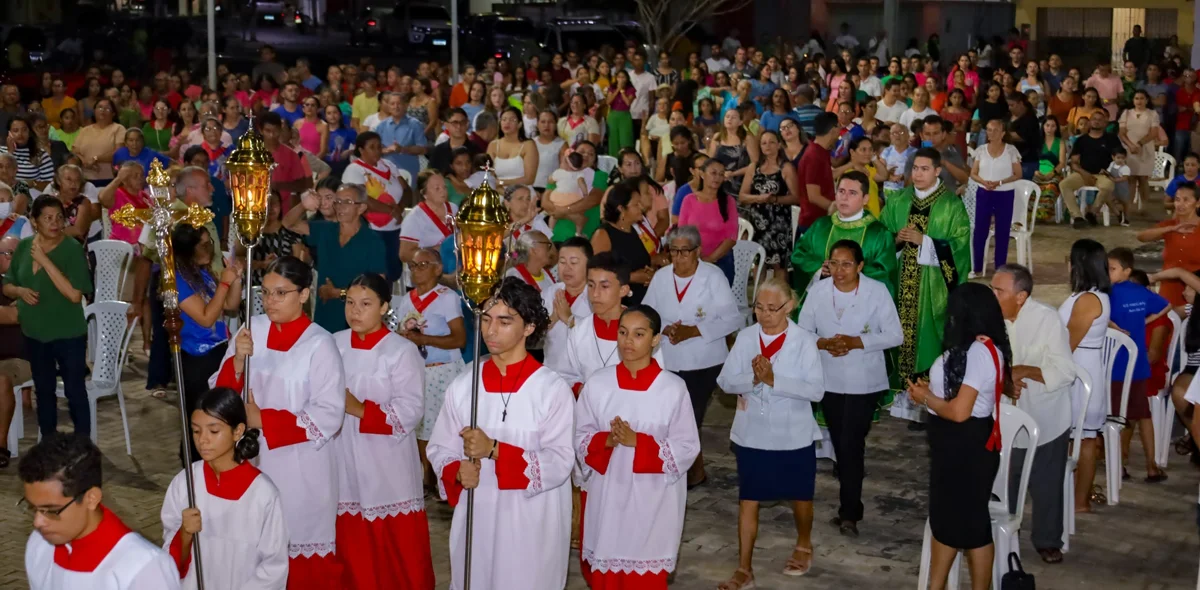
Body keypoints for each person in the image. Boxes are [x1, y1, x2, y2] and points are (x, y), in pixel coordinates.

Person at [426, 277, 574, 590]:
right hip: (477, 518)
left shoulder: (551, 389)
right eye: (487, 319)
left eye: (505, 321)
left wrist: (495, 449)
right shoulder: (465, 385)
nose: (491, 331)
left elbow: (559, 463)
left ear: (530, 327)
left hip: (530, 522)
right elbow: (440, 448)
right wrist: (457, 470)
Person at [210, 256, 347, 588]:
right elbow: (221, 392)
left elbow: (329, 415)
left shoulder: (320, 344)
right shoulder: (252, 330)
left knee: (296, 549)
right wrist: (239, 361)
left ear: (303, 294)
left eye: (281, 293)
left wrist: (264, 420)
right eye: (266, 292)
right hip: (253, 460)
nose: (270, 302)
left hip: (301, 465)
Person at [576, 304, 700, 589]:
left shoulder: (672, 388)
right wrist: (606, 440)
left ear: (655, 339)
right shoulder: (598, 384)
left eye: (639, 334)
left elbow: (686, 446)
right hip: (607, 496)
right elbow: (578, 436)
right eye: (623, 332)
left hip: (653, 501)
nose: (628, 341)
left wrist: (638, 442)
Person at [716, 277, 824, 587]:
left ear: (789, 307)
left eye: (772, 309)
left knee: (801, 497)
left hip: (794, 435)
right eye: (758, 308)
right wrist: (754, 378)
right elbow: (725, 381)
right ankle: (744, 568)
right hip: (753, 434)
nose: (764, 315)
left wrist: (775, 379)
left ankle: (804, 544)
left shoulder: (804, 341)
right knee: (748, 498)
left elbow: (816, 391)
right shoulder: (747, 337)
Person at [334, 273, 436, 590]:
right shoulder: (331, 344)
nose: (355, 311)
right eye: (350, 303)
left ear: (384, 307)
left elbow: (410, 410)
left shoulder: (400, 351)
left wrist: (359, 408)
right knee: (351, 549)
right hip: (344, 457)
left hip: (386, 462)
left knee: (394, 554)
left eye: (365, 304)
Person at [906, 282, 1010, 590]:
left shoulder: (979, 352)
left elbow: (959, 411)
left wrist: (926, 398)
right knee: (947, 521)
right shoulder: (976, 347)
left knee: (972, 525)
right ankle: (935, 585)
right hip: (956, 444)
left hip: (966, 445)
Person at [796, 240, 901, 538]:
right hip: (828, 378)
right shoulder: (818, 292)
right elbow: (803, 332)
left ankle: (849, 512)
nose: (839, 270)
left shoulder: (876, 292)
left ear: (860, 266)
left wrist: (856, 342)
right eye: (834, 263)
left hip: (863, 381)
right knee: (843, 444)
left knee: (851, 444)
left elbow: (895, 335)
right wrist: (825, 343)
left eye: (846, 264)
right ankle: (851, 501)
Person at [643, 225, 741, 486]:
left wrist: (694, 330)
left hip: (704, 360)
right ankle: (689, 467)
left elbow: (732, 318)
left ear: (698, 251)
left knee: (691, 416)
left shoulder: (713, 276)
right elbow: (648, 314)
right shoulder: (662, 277)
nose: (679, 257)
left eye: (685, 251)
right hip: (668, 358)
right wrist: (666, 328)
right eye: (673, 251)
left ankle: (689, 471)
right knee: (670, 416)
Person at [160, 387, 288, 588]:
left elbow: (273, 567)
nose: (202, 440)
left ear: (238, 431)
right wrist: (185, 533)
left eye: (213, 431)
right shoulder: (185, 483)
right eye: (196, 430)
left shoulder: (263, 494)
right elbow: (169, 562)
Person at [990, 264, 1076, 564]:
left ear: (1021, 297)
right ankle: (1003, 530)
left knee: (1047, 482)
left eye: (999, 290)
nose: (993, 295)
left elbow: (1066, 371)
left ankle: (1048, 539)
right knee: (1005, 477)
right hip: (1004, 416)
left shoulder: (1047, 319)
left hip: (1046, 414)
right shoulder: (989, 320)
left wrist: (1023, 370)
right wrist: (1003, 383)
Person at [22, 433, 181, 589]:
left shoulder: (145, 568)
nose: (38, 522)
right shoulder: (40, 545)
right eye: (33, 507)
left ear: (91, 498)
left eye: (51, 511)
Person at [880, 148, 970, 419]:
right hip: (899, 285)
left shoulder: (951, 206)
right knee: (897, 336)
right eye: (914, 169)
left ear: (937, 171)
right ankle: (898, 394)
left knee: (928, 341)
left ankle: (927, 402)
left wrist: (926, 242)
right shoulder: (898, 201)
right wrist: (896, 239)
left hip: (932, 290)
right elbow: (880, 236)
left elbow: (961, 247)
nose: (917, 174)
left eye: (924, 169)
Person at [4, 196, 91, 438]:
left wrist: (44, 260)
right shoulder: (24, 246)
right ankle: (49, 443)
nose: (55, 223)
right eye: (48, 218)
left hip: (68, 333)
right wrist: (20, 291)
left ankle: (83, 443)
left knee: (75, 391)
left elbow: (74, 295)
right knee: (43, 391)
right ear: (34, 222)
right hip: (34, 332)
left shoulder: (71, 249)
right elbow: (8, 285)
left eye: (59, 218)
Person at [172, 223, 244, 462]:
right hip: (196, 358)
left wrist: (235, 279)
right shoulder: (178, 281)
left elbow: (230, 306)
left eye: (210, 242)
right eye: (204, 244)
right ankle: (193, 468)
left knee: (218, 413)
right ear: (188, 249)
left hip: (217, 351)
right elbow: (205, 318)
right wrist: (224, 283)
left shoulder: (201, 273)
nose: (210, 249)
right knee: (199, 416)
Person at [282, 184, 387, 333]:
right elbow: (288, 223)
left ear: (361, 208)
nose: (340, 207)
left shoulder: (373, 241)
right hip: (324, 316)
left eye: (347, 202)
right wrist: (303, 205)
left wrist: (339, 293)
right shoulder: (326, 230)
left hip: (356, 319)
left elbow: (378, 288)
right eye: (337, 201)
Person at [1106, 247, 1169, 483]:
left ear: (1126, 271)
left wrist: (1112, 325)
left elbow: (1099, 317)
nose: (1107, 272)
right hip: (1138, 366)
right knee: (1141, 415)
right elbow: (1166, 305)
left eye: (1111, 268)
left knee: (1119, 417)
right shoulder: (1140, 292)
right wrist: (1145, 320)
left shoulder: (1106, 294)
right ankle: (1151, 465)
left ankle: (1120, 465)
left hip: (1115, 367)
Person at [1058, 239, 1111, 512]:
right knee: (1078, 437)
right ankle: (1075, 494)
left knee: (1086, 438)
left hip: (1082, 373)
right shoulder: (1088, 295)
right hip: (1082, 368)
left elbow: (1068, 342)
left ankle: (1081, 501)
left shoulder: (1089, 299)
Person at [792, 170, 896, 295]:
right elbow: (798, 255)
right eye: (841, 191)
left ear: (865, 199)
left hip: (861, 305)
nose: (844, 198)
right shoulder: (821, 226)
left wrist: (848, 271)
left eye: (852, 193)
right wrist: (819, 269)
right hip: (822, 301)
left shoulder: (879, 234)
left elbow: (885, 274)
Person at [342, 131, 410, 283]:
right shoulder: (354, 170)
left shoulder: (389, 165)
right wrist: (393, 211)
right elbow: (362, 198)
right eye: (372, 147)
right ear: (361, 150)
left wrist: (399, 208)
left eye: (379, 146)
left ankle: (388, 303)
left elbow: (406, 190)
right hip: (371, 229)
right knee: (375, 273)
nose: (377, 150)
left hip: (395, 228)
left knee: (393, 272)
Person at [969, 118, 1023, 276]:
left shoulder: (1011, 150)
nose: (991, 133)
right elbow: (973, 173)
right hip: (984, 193)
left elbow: (1017, 174)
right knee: (980, 230)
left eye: (995, 130)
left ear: (1003, 133)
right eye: (989, 130)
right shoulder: (981, 150)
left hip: (1005, 194)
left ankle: (1000, 266)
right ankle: (976, 266)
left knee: (1002, 231)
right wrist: (984, 181)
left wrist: (999, 182)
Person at [738, 130, 798, 270]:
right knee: (759, 265)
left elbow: (796, 197)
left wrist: (775, 199)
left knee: (779, 266)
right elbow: (742, 196)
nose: (767, 146)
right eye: (764, 143)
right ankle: (759, 292)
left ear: (778, 145)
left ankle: (781, 291)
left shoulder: (786, 167)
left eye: (771, 142)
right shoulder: (754, 167)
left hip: (778, 222)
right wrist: (758, 198)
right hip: (757, 222)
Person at [1137, 182, 1200, 308]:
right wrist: (1171, 229)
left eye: (1186, 200)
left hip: (1194, 289)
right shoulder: (1169, 225)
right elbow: (1141, 237)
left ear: (1198, 203)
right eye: (1177, 199)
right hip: (1169, 288)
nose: (1180, 204)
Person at [590, 181, 654, 304]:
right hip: (619, 304)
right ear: (621, 209)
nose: (642, 207)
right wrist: (633, 277)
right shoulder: (604, 234)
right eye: (636, 204)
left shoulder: (631, 230)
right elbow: (597, 272)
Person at [1059, 110, 1122, 228]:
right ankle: (1077, 216)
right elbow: (1074, 162)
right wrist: (1084, 174)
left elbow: (1120, 159)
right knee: (1064, 184)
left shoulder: (1112, 139)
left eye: (1100, 120)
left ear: (1105, 123)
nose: (1097, 122)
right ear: (1089, 122)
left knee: (1108, 186)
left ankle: (1092, 212)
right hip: (1083, 173)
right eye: (1094, 119)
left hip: (1103, 174)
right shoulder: (1081, 140)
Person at [795, 112, 838, 234]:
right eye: (838, 126)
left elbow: (826, 176)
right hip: (813, 224)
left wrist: (852, 164)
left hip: (820, 221)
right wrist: (836, 208)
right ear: (833, 130)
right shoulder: (813, 155)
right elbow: (813, 196)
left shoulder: (821, 151)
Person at [376, 93, 428, 185]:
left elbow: (423, 149)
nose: (396, 107)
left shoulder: (415, 124)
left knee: (409, 198)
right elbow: (375, 149)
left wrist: (403, 149)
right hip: (386, 172)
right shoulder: (381, 126)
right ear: (388, 107)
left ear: (405, 105)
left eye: (399, 103)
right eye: (392, 104)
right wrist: (386, 150)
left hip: (409, 170)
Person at [72, 99, 125, 183]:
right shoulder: (85, 130)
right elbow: (75, 152)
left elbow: (119, 153)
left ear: (113, 114)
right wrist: (86, 162)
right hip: (84, 178)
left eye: (107, 108)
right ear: (94, 111)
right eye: (100, 108)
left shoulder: (118, 129)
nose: (103, 110)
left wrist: (96, 159)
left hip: (109, 178)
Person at [488, 106, 538, 187]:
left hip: (523, 193)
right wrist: (502, 191)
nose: (507, 122)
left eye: (512, 120)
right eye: (504, 119)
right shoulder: (493, 145)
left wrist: (501, 182)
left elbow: (529, 179)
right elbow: (489, 177)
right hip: (499, 192)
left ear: (519, 124)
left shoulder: (528, 145)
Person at [3, 115, 55, 188]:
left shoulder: (40, 154)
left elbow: (50, 185)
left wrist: (31, 183)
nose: (20, 134)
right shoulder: (1, 152)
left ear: (29, 132)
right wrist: (10, 153)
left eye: (24, 130)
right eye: (15, 130)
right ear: (9, 133)